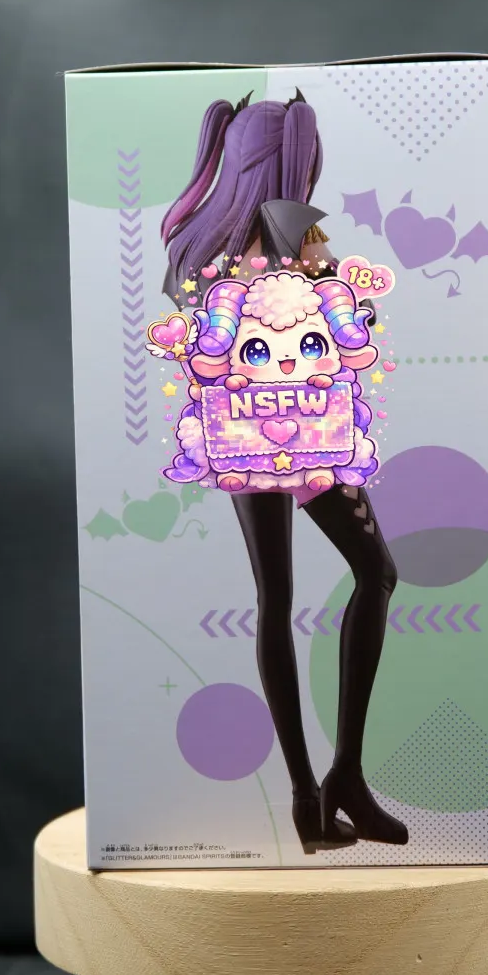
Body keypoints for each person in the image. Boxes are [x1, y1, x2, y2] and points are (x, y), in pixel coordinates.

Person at [162, 91, 408, 853]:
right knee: (376, 573)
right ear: (291, 161)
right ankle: (343, 778)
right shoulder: (296, 228)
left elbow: (192, 341)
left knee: (276, 597)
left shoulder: (194, 239)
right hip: (307, 432)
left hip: (239, 438)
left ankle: (309, 796)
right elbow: (347, 325)